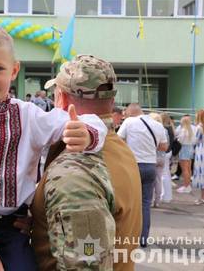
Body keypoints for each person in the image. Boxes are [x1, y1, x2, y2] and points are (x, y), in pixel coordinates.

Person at [0, 25, 107, 271]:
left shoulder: (28, 114)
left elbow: (86, 120)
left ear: (14, 70)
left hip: (14, 228)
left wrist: (86, 133)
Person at [31, 55, 142, 271]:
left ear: (61, 98)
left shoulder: (75, 170)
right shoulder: (118, 147)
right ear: (111, 100)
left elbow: (86, 261)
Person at [118, 103, 168, 247]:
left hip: (133, 166)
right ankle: (143, 239)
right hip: (150, 166)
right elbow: (164, 147)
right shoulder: (157, 125)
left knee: (130, 203)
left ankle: (128, 237)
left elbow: (119, 140)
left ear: (130, 112)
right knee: (145, 204)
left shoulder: (129, 122)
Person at [175, 115, 196, 193]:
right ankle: (188, 186)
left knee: (184, 169)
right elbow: (195, 141)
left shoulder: (184, 130)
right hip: (190, 148)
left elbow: (180, 140)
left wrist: (177, 139)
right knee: (188, 168)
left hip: (184, 149)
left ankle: (186, 186)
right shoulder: (192, 129)